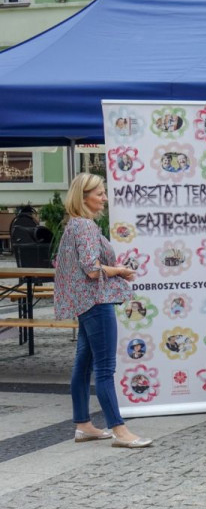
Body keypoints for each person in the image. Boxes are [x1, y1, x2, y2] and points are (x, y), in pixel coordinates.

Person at [55, 173, 153, 448]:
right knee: (105, 368)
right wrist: (119, 270)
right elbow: (91, 267)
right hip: (96, 302)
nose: (104, 198)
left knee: (83, 364)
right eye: (100, 193)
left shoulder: (74, 225)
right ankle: (119, 430)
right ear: (83, 197)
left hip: (85, 303)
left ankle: (83, 425)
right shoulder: (85, 226)